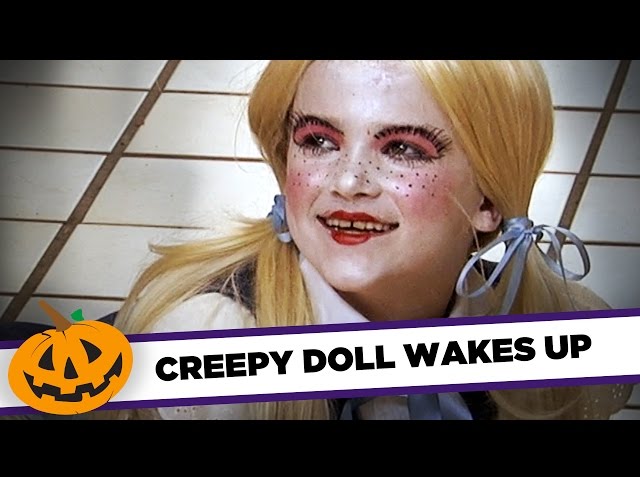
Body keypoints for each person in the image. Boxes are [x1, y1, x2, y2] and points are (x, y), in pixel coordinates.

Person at [99, 60, 633, 420]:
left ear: (489, 199)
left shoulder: (563, 333)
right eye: (318, 141)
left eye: (403, 149)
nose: (348, 181)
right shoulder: (211, 347)